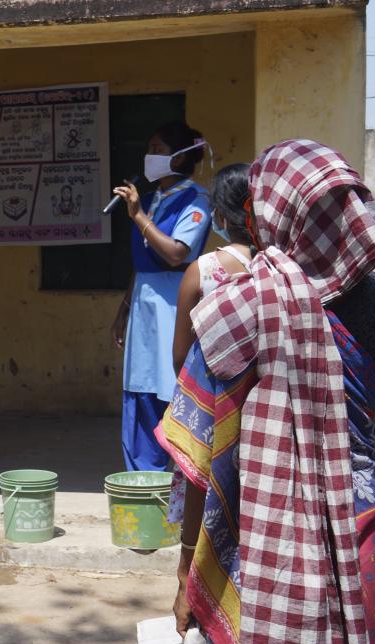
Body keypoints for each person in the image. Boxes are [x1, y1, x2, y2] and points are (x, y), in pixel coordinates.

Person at [161, 140, 375, 644]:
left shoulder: (238, 306)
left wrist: (187, 569)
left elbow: (201, 450)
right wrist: (370, 504)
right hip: (361, 528)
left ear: (266, 214)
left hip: (252, 539)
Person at [111, 121, 212, 474]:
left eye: (159, 150)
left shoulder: (196, 200)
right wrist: (124, 308)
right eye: (149, 148)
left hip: (173, 302)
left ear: (182, 157)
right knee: (140, 383)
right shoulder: (152, 198)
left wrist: (138, 216)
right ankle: (142, 471)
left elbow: (175, 253)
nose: (149, 156)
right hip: (143, 303)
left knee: (169, 383)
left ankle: (173, 473)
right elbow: (140, 263)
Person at [163, 162, 253, 524]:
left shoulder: (202, 270)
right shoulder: (283, 269)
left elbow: (181, 355)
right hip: (263, 408)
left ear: (218, 214)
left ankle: (190, 569)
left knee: (202, 490)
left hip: (211, 408)